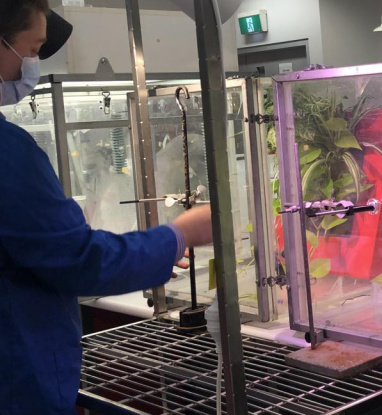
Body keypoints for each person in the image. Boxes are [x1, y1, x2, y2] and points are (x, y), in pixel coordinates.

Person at [0, 1, 215, 414]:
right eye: (30, 49)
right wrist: (180, 234)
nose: (32, 65)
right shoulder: (8, 152)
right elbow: (79, 261)